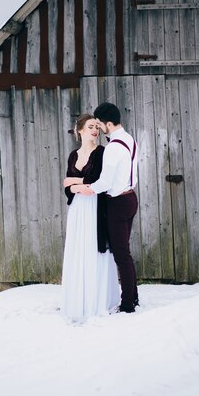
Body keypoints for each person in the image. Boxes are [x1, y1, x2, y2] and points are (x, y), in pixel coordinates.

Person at [60, 113, 120, 323]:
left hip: (96, 206)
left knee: (96, 249)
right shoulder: (73, 155)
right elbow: (67, 187)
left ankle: (98, 300)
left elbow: (98, 181)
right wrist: (76, 186)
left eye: (97, 126)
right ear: (80, 131)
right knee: (79, 250)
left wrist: (75, 182)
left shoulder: (102, 153)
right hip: (78, 208)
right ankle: (79, 300)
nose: (95, 130)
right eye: (91, 127)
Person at [82, 102, 139, 313]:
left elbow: (105, 183)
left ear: (107, 123)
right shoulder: (130, 139)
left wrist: (86, 187)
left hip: (118, 203)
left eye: (98, 124)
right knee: (125, 252)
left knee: (121, 255)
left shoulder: (114, 147)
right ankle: (133, 297)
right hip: (131, 197)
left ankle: (127, 304)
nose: (98, 129)